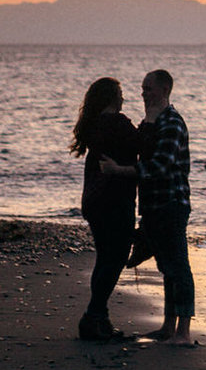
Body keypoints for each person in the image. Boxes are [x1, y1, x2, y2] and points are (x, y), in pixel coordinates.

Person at [69, 76, 140, 341]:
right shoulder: (118, 124)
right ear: (113, 97)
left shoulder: (94, 124)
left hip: (94, 199)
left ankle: (100, 318)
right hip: (114, 200)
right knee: (115, 258)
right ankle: (92, 315)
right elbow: (143, 145)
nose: (124, 98)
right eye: (121, 94)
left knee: (105, 258)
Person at [134, 67, 194, 344]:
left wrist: (123, 171)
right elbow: (141, 147)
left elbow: (159, 165)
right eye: (143, 88)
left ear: (164, 91)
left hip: (171, 202)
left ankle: (183, 331)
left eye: (148, 88)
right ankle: (168, 327)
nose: (143, 92)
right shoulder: (154, 121)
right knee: (167, 268)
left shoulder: (172, 122)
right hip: (153, 204)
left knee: (178, 266)